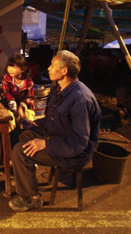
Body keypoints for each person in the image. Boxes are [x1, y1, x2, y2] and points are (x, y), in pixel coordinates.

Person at [8, 50, 101, 211]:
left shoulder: (79, 97)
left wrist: (46, 143)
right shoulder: (59, 89)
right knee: (24, 134)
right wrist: (33, 123)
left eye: (52, 65)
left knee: (19, 151)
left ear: (64, 71)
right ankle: (26, 178)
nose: (49, 69)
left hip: (75, 152)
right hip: (59, 136)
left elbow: (79, 142)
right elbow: (53, 118)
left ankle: (33, 198)